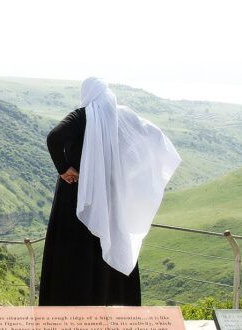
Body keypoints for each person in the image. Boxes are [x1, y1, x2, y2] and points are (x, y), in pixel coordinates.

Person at [38, 77, 181, 306]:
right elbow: (151, 138)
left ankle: (71, 303)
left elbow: (54, 137)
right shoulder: (120, 116)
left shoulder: (82, 116)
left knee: (73, 250)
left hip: (75, 193)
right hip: (110, 196)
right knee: (109, 242)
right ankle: (110, 301)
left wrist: (65, 168)